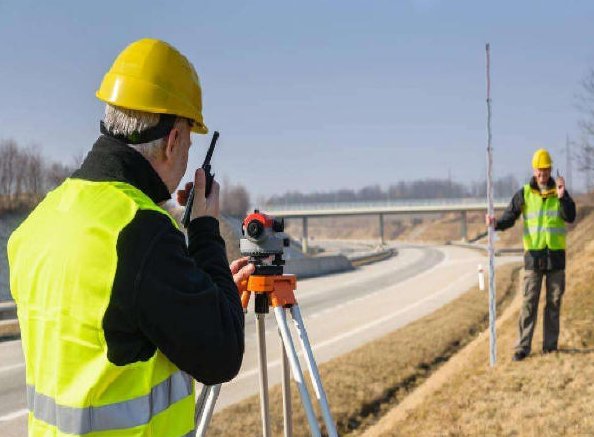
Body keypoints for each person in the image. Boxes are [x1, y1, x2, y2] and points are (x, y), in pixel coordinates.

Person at [7, 39, 253, 437]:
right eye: (188, 143)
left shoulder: (38, 224)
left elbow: (123, 315)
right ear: (173, 141)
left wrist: (204, 290)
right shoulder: (141, 232)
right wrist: (205, 232)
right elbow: (221, 354)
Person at [486, 148, 576, 361]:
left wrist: (563, 197)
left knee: (553, 303)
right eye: (539, 170)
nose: (542, 174)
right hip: (533, 259)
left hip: (555, 258)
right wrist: (496, 223)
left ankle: (550, 347)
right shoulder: (524, 193)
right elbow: (510, 216)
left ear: (550, 170)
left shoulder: (560, 192)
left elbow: (570, 216)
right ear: (534, 170)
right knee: (529, 303)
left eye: (545, 170)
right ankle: (522, 347)